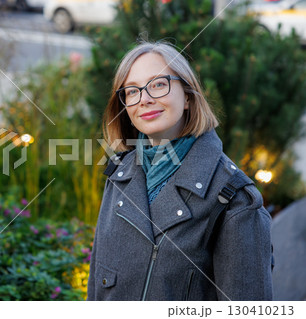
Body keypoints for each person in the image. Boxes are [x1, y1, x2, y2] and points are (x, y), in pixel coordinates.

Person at [87, 41, 273, 301]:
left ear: (187, 95)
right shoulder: (119, 177)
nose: (145, 99)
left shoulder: (234, 198)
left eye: (159, 84)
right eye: (132, 91)